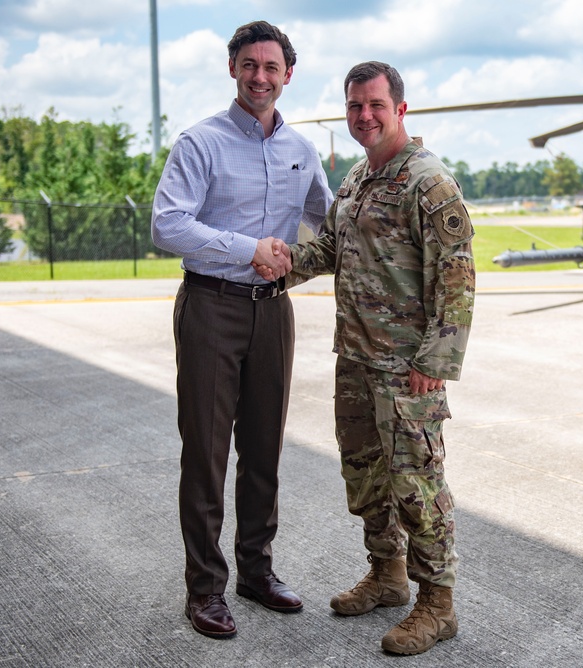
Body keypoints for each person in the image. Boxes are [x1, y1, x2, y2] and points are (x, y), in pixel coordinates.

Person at [260, 61, 475, 656]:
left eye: (376, 105)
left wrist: (435, 363)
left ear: (400, 109)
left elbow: (457, 283)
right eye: (355, 106)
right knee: (366, 475)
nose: (364, 116)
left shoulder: (426, 183)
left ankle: (438, 605)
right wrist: (285, 264)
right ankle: (388, 576)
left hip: (407, 369)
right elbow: (332, 246)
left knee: (417, 486)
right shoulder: (357, 178)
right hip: (355, 360)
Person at [150, 20, 332, 640]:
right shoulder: (199, 144)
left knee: (264, 451)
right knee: (205, 453)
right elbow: (167, 226)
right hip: (211, 307)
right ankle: (204, 589)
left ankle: (256, 571)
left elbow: (326, 220)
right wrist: (247, 247)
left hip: (273, 312)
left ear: (287, 75)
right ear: (232, 69)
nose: (260, 76)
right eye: (249, 65)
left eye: (271, 67)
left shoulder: (300, 151)